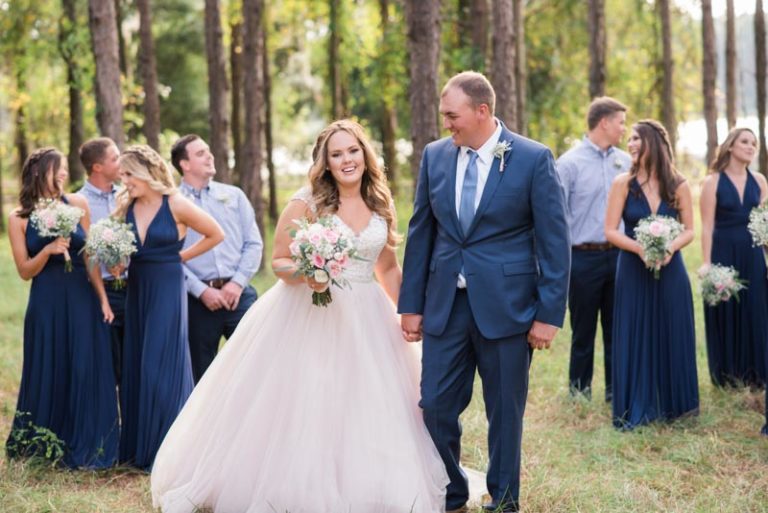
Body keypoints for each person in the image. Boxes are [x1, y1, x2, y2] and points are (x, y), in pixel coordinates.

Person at [150, 120, 449, 513]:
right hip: (313, 313)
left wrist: (409, 311)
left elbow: (388, 268)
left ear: (365, 154)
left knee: (372, 401)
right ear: (325, 163)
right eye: (337, 154)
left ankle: (368, 482)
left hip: (369, 316)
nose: (346, 160)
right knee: (312, 398)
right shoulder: (306, 202)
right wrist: (312, 273)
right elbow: (279, 263)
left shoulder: (380, 200)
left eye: (353, 151)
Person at [399, 71, 570, 513]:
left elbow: (554, 242)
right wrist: (411, 305)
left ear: (482, 111)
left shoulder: (533, 158)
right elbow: (422, 233)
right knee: (434, 403)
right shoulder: (435, 156)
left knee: (504, 412)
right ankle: (451, 491)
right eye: (443, 116)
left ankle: (505, 499)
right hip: (445, 306)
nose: (446, 124)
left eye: (452, 116)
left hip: (508, 308)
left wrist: (549, 314)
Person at [6, 148, 118, 468]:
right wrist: (49, 250)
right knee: (48, 363)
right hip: (46, 300)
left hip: (82, 296)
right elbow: (25, 271)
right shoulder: (19, 218)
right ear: (42, 171)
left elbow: (89, 257)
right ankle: (44, 443)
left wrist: (103, 299)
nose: (65, 173)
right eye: (60, 168)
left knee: (84, 364)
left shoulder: (78, 205)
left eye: (67, 168)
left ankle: (87, 440)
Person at [115, 145, 224, 470]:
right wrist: (118, 261)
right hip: (138, 286)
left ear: (145, 173)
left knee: (159, 362)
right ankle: (137, 448)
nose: (124, 180)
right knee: (137, 358)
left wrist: (180, 257)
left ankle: (169, 451)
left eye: (128, 174)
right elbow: (123, 248)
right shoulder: (127, 206)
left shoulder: (176, 204)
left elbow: (215, 234)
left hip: (166, 286)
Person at [605, 119, 699, 430]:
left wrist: (669, 248)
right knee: (636, 329)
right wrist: (640, 249)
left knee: (672, 326)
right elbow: (610, 231)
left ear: (653, 143)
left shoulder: (679, 184)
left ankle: (676, 405)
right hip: (633, 268)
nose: (629, 144)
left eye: (635, 139)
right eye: (629, 139)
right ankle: (637, 403)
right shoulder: (622, 183)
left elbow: (690, 230)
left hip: (672, 269)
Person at [170, 135, 263, 383]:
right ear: (185, 165)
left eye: (208, 151)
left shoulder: (234, 196)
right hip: (198, 303)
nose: (210, 156)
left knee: (257, 365)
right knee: (201, 377)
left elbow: (253, 243)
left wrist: (237, 283)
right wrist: (201, 291)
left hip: (239, 296)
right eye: (201, 153)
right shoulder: (171, 204)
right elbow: (170, 257)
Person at [557, 97, 631, 402]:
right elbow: (557, 215)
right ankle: (579, 393)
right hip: (583, 257)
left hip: (619, 257)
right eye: (621, 122)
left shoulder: (627, 162)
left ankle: (617, 393)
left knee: (618, 329)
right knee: (583, 330)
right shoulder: (568, 163)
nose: (624, 129)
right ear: (604, 122)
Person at [700, 128, 768, 389]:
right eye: (745, 141)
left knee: (756, 310)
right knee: (726, 311)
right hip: (723, 252)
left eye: (754, 143)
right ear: (730, 146)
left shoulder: (760, 181)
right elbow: (707, 226)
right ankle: (728, 377)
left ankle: (757, 375)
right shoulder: (712, 182)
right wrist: (707, 263)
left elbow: (762, 225)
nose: (751, 147)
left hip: (752, 254)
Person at [78, 137, 126, 388]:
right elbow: (84, 251)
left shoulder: (129, 195)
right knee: (109, 364)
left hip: (134, 287)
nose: (121, 163)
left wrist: (126, 262)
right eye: (115, 158)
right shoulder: (78, 203)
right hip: (100, 292)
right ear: (97, 167)